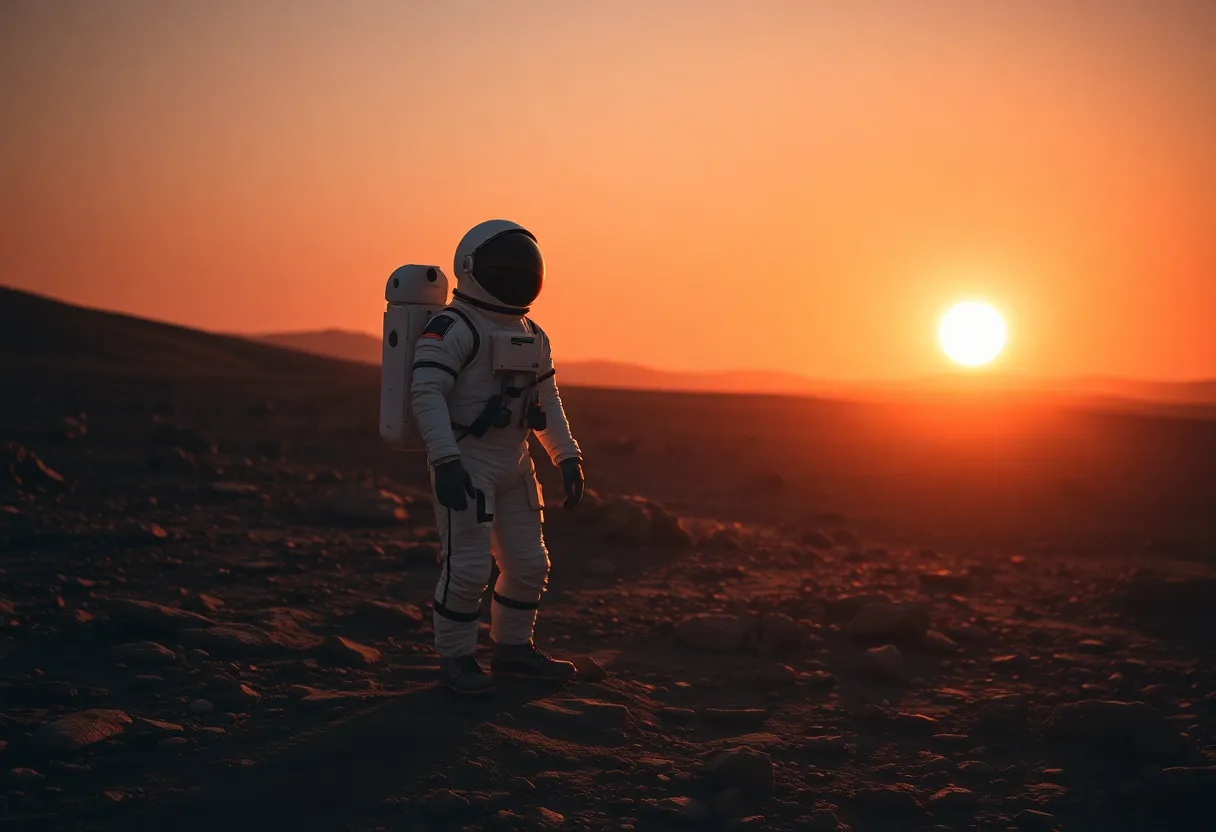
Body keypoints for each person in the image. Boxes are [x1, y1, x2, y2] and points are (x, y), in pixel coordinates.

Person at [409, 219, 586, 695]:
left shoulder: (532, 332)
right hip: (468, 462)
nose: (516, 274)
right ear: (470, 269)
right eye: (505, 265)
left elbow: (547, 400)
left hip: (515, 462)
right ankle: (457, 661)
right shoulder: (454, 325)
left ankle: (513, 652)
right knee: (467, 567)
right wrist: (445, 461)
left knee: (529, 564)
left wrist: (566, 457)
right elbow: (426, 391)